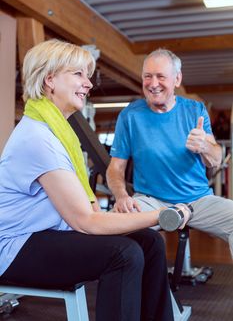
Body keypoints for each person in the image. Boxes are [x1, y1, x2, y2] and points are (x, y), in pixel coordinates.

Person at [0, 40, 182, 321]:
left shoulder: (57, 132)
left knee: (148, 242)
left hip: (47, 234)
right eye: (78, 74)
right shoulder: (37, 138)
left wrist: (138, 218)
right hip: (14, 249)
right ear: (50, 80)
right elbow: (86, 221)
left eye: (87, 76)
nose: (88, 84)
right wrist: (161, 214)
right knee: (123, 254)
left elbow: (87, 215)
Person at [106, 48, 233, 259]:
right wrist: (121, 196)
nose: (153, 83)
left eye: (161, 76)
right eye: (148, 76)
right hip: (149, 201)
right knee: (106, 229)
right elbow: (115, 168)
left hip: (198, 201)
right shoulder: (130, 115)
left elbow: (216, 160)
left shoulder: (195, 110)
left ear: (177, 79)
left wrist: (204, 146)